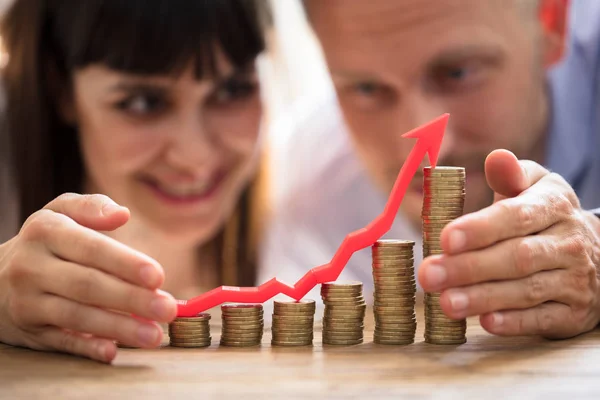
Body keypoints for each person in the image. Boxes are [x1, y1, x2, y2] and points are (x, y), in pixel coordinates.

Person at [261, 0, 600, 339]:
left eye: (458, 72)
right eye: (366, 88)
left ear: (551, 21)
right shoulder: (305, 191)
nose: (423, 151)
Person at [0, 0, 271, 363]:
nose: (196, 157)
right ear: (60, 86)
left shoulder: (315, 176)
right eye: (143, 102)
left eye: (233, 90)